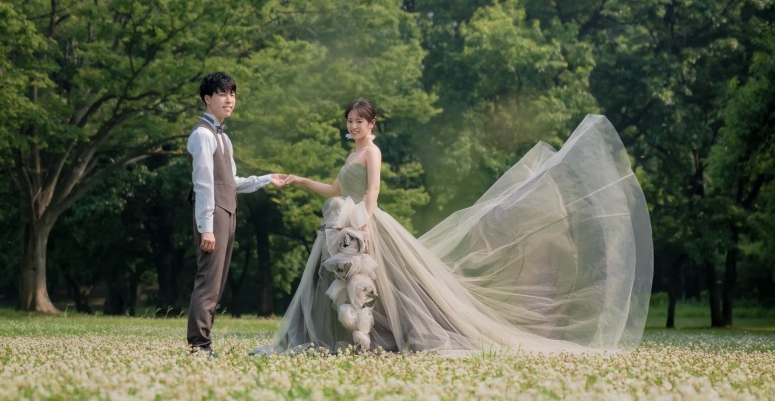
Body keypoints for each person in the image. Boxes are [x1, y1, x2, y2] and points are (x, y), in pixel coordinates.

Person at [252, 98, 653, 356]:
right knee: (337, 283)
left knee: (385, 285)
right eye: (351, 121)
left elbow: (372, 192)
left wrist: (367, 226)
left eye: (360, 121)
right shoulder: (352, 152)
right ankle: (335, 339)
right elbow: (338, 188)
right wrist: (301, 181)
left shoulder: (372, 152)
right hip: (343, 225)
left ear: (373, 124)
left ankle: (376, 338)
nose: (355, 126)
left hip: (364, 224)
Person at [187, 71, 286, 355]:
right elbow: (204, 184)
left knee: (216, 282)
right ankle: (199, 346)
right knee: (208, 279)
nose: (229, 100)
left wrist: (267, 179)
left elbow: (231, 182)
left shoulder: (224, 139)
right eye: (222, 94)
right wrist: (206, 226)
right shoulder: (202, 136)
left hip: (227, 211)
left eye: (232, 94)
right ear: (207, 99)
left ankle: (204, 343)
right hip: (213, 213)